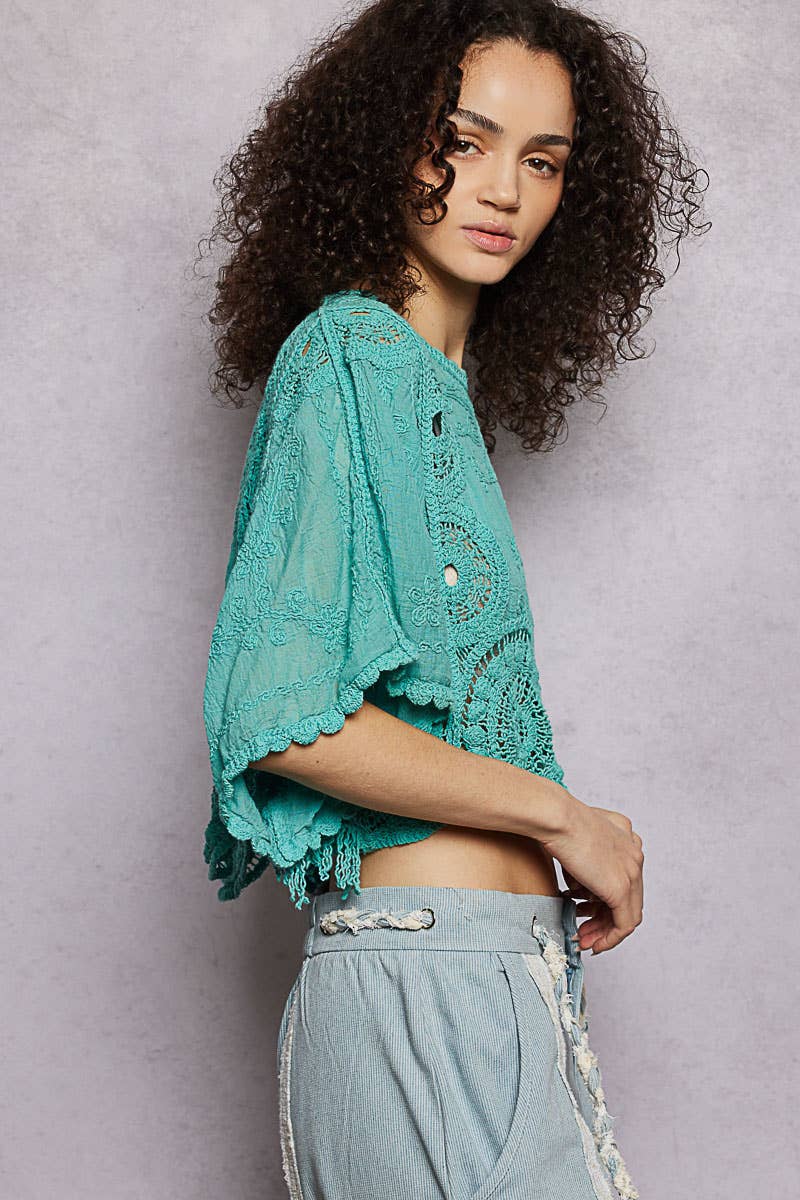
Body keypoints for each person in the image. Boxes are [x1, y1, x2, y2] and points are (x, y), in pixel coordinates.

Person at [198, 2, 709, 1197]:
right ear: (380, 140)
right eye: (461, 141)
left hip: (483, 978)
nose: (502, 191)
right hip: (426, 988)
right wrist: (562, 819)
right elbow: (278, 714)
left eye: (543, 161)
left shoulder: (423, 383)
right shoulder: (348, 355)